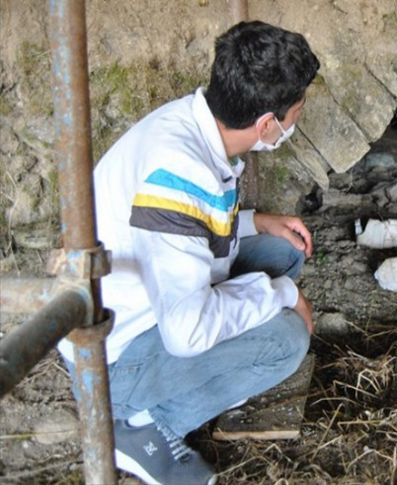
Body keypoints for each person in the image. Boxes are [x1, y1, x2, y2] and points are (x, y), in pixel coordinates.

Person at [57, 21, 321, 484]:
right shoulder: (177, 171)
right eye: (295, 113)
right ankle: (134, 425)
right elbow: (186, 331)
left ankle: (202, 380)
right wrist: (279, 295)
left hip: (146, 298)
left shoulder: (193, 121)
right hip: (112, 359)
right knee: (286, 339)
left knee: (283, 253)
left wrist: (256, 222)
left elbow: (182, 230)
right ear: (266, 124)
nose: (295, 122)